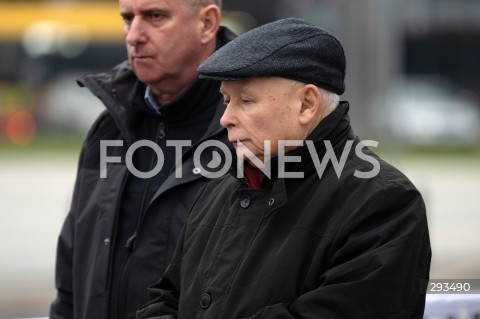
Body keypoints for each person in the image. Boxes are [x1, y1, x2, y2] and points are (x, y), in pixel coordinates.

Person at [136, 17, 432, 319]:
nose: (226, 118)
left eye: (246, 101)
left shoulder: (382, 202)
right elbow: (166, 297)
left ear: (307, 104)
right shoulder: (218, 188)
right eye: (226, 100)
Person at [49, 0, 236, 318]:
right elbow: (70, 283)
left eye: (155, 16)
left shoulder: (254, 135)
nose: (134, 35)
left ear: (207, 23)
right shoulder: (108, 128)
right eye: (127, 18)